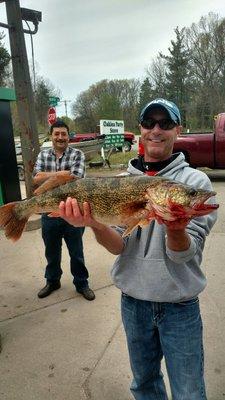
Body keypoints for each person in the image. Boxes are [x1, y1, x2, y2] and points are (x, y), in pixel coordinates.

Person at [56, 99, 217, 399]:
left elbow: (184, 254)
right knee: (143, 386)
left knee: (190, 392)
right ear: (140, 130)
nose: (157, 130)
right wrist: (94, 223)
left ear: (177, 130)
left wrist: (176, 229)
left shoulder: (195, 183)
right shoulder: (120, 183)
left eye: (165, 124)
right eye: (149, 123)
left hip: (179, 308)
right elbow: (119, 246)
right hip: (133, 305)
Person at [33, 120, 95, 301]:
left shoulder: (77, 154)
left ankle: (82, 283)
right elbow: (36, 178)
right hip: (49, 211)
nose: (60, 137)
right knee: (51, 251)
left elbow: (75, 177)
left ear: (69, 136)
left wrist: (50, 177)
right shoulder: (43, 155)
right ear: (51, 136)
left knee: (76, 251)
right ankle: (52, 281)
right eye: (57, 134)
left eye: (64, 134)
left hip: (74, 211)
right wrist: (61, 175)